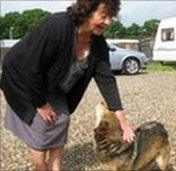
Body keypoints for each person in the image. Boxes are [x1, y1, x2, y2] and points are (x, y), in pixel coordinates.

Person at [0, 0, 135, 170]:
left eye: (111, 17)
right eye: (104, 15)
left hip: (52, 85)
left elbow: (106, 79)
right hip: (23, 79)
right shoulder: (58, 26)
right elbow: (29, 65)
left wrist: (122, 120)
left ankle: (55, 168)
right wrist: (40, 104)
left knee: (61, 120)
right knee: (40, 128)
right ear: (87, 11)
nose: (108, 22)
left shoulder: (98, 43)